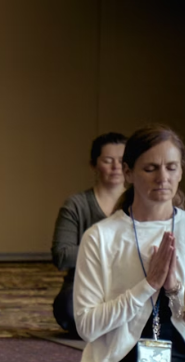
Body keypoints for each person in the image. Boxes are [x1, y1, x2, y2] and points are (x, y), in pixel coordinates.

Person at [33, 125, 185, 362]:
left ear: (181, 171)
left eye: (171, 168)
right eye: (151, 168)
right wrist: (146, 286)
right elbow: (88, 327)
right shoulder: (101, 237)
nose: (163, 178)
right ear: (129, 173)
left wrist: (173, 292)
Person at [50, 132, 127, 334]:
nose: (116, 167)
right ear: (94, 165)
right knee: (67, 307)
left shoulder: (139, 203)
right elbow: (62, 256)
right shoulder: (76, 205)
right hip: (85, 285)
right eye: (108, 161)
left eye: (122, 161)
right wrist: (111, 251)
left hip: (129, 284)